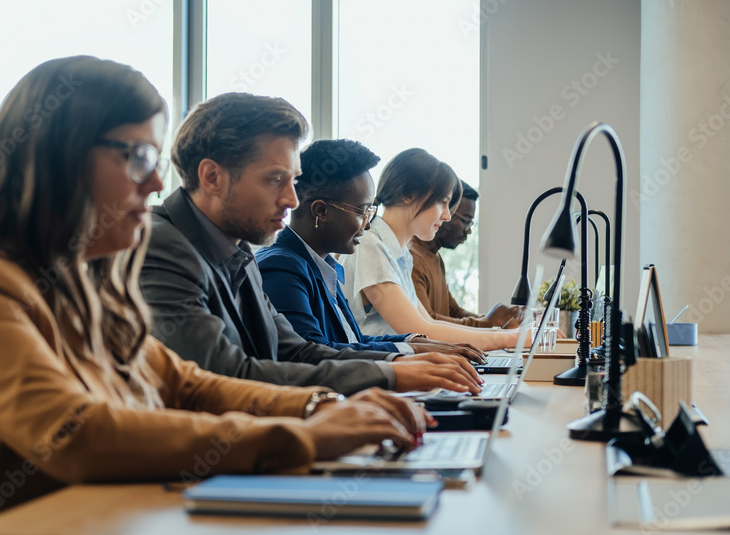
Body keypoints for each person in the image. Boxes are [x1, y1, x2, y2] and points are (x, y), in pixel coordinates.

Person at [0, 57, 433, 535]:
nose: (157, 182)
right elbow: (74, 433)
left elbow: (186, 384)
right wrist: (300, 437)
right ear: (62, 158)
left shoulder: (88, 285)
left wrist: (320, 408)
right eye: (138, 157)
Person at [140, 93, 482, 394]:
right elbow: (225, 376)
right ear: (211, 177)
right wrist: (388, 375)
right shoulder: (161, 247)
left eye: (292, 180)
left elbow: (296, 351)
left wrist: (396, 365)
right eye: (276, 179)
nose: (292, 200)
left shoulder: (240, 251)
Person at [256, 138, 486, 362]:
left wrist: (413, 342)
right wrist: (405, 355)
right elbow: (312, 354)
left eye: (371, 212)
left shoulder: (322, 265)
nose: (367, 224)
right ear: (321, 211)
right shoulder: (282, 267)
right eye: (362, 212)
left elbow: (351, 340)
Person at [339, 148, 520, 352]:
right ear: (409, 195)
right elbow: (420, 331)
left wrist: (506, 334)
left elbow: (430, 325)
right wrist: (509, 338)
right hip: (378, 373)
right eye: (443, 202)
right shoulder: (371, 247)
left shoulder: (400, 255)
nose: (447, 216)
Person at [411, 181, 523, 328]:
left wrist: (501, 321)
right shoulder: (412, 259)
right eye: (465, 221)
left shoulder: (435, 257)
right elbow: (427, 322)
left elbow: (454, 312)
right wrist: (489, 323)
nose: (468, 230)